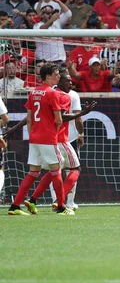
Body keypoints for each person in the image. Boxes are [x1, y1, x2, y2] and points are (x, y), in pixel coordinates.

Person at [21, 70, 95, 214]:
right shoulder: (67, 96)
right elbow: (63, 117)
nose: (71, 83)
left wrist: (13, 129)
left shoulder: (46, 93)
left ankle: (33, 199)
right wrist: (82, 119)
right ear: (58, 79)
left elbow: (30, 116)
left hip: (49, 139)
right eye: (67, 80)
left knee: (53, 171)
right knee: (75, 169)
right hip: (61, 139)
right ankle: (59, 202)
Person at [7, 64, 71, 216]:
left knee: (33, 172)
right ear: (48, 76)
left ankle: (15, 206)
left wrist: (33, 135)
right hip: (48, 138)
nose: (58, 76)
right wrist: (53, 133)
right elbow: (59, 119)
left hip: (34, 138)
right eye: (56, 73)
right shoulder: (52, 93)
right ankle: (61, 207)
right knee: (57, 171)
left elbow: (29, 119)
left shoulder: (33, 92)